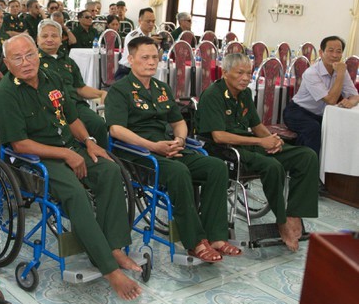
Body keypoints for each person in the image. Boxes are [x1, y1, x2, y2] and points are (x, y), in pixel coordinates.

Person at [0, 34, 142, 300]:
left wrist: (88, 142)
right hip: (37, 161)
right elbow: (19, 145)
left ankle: (114, 247)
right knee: (75, 193)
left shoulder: (51, 77)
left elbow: (71, 117)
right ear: (7, 63)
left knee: (111, 171)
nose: (26, 62)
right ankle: (109, 269)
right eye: (17, 58)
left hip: (69, 148)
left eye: (30, 54)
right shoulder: (7, 93)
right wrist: (65, 153)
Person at [106, 36, 237, 262]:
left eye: (155, 57)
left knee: (216, 167)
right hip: (138, 153)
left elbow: (178, 122)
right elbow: (116, 130)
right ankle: (195, 241)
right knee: (178, 172)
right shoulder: (120, 89)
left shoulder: (162, 88)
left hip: (168, 147)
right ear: (130, 59)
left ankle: (216, 236)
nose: (151, 62)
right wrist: (152, 146)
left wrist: (180, 140)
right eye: (144, 57)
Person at [196, 52, 319, 252]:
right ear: (225, 73)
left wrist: (272, 139)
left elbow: (256, 124)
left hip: (249, 144)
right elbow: (219, 136)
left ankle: (293, 213)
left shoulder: (244, 93)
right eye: (240, 73)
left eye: (249, 73)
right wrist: (260, 141)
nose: (246, 78)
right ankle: (282, 222)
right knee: (272, 165)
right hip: (224, 150)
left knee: (306, 156)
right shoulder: (213, 95)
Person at [283, 36, 359, 155]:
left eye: (338, 51)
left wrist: (351, 102)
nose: (334, 55)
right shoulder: (312, 73)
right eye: (330, 50)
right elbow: (331, 100)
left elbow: (355, 95)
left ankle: (334, 170)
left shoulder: (341, 70)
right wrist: (340, 74)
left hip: (321, 115)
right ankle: (308, 169)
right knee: (313, 129)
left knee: (341, 128)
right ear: (321, 52)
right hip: (297, 112)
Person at [38, 19, 108, 148]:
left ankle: (103, 159)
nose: (49, 39)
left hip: (75, 105)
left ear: (61, 39)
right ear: (37, 39)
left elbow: (80, 88)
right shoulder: (33, 62)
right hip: (50, 107)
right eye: (44, 36)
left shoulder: (68, 61)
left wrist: (101, 92)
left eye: (54, 36)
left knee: (98, 123)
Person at [115, 7, 161, 81]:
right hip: (127, 71)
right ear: (140, 21)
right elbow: (138, 53)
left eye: (153, 21)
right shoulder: (133, 36)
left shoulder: (151, 36)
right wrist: (150, 41)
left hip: (142, 70)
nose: (151, 24)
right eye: (148, 21)